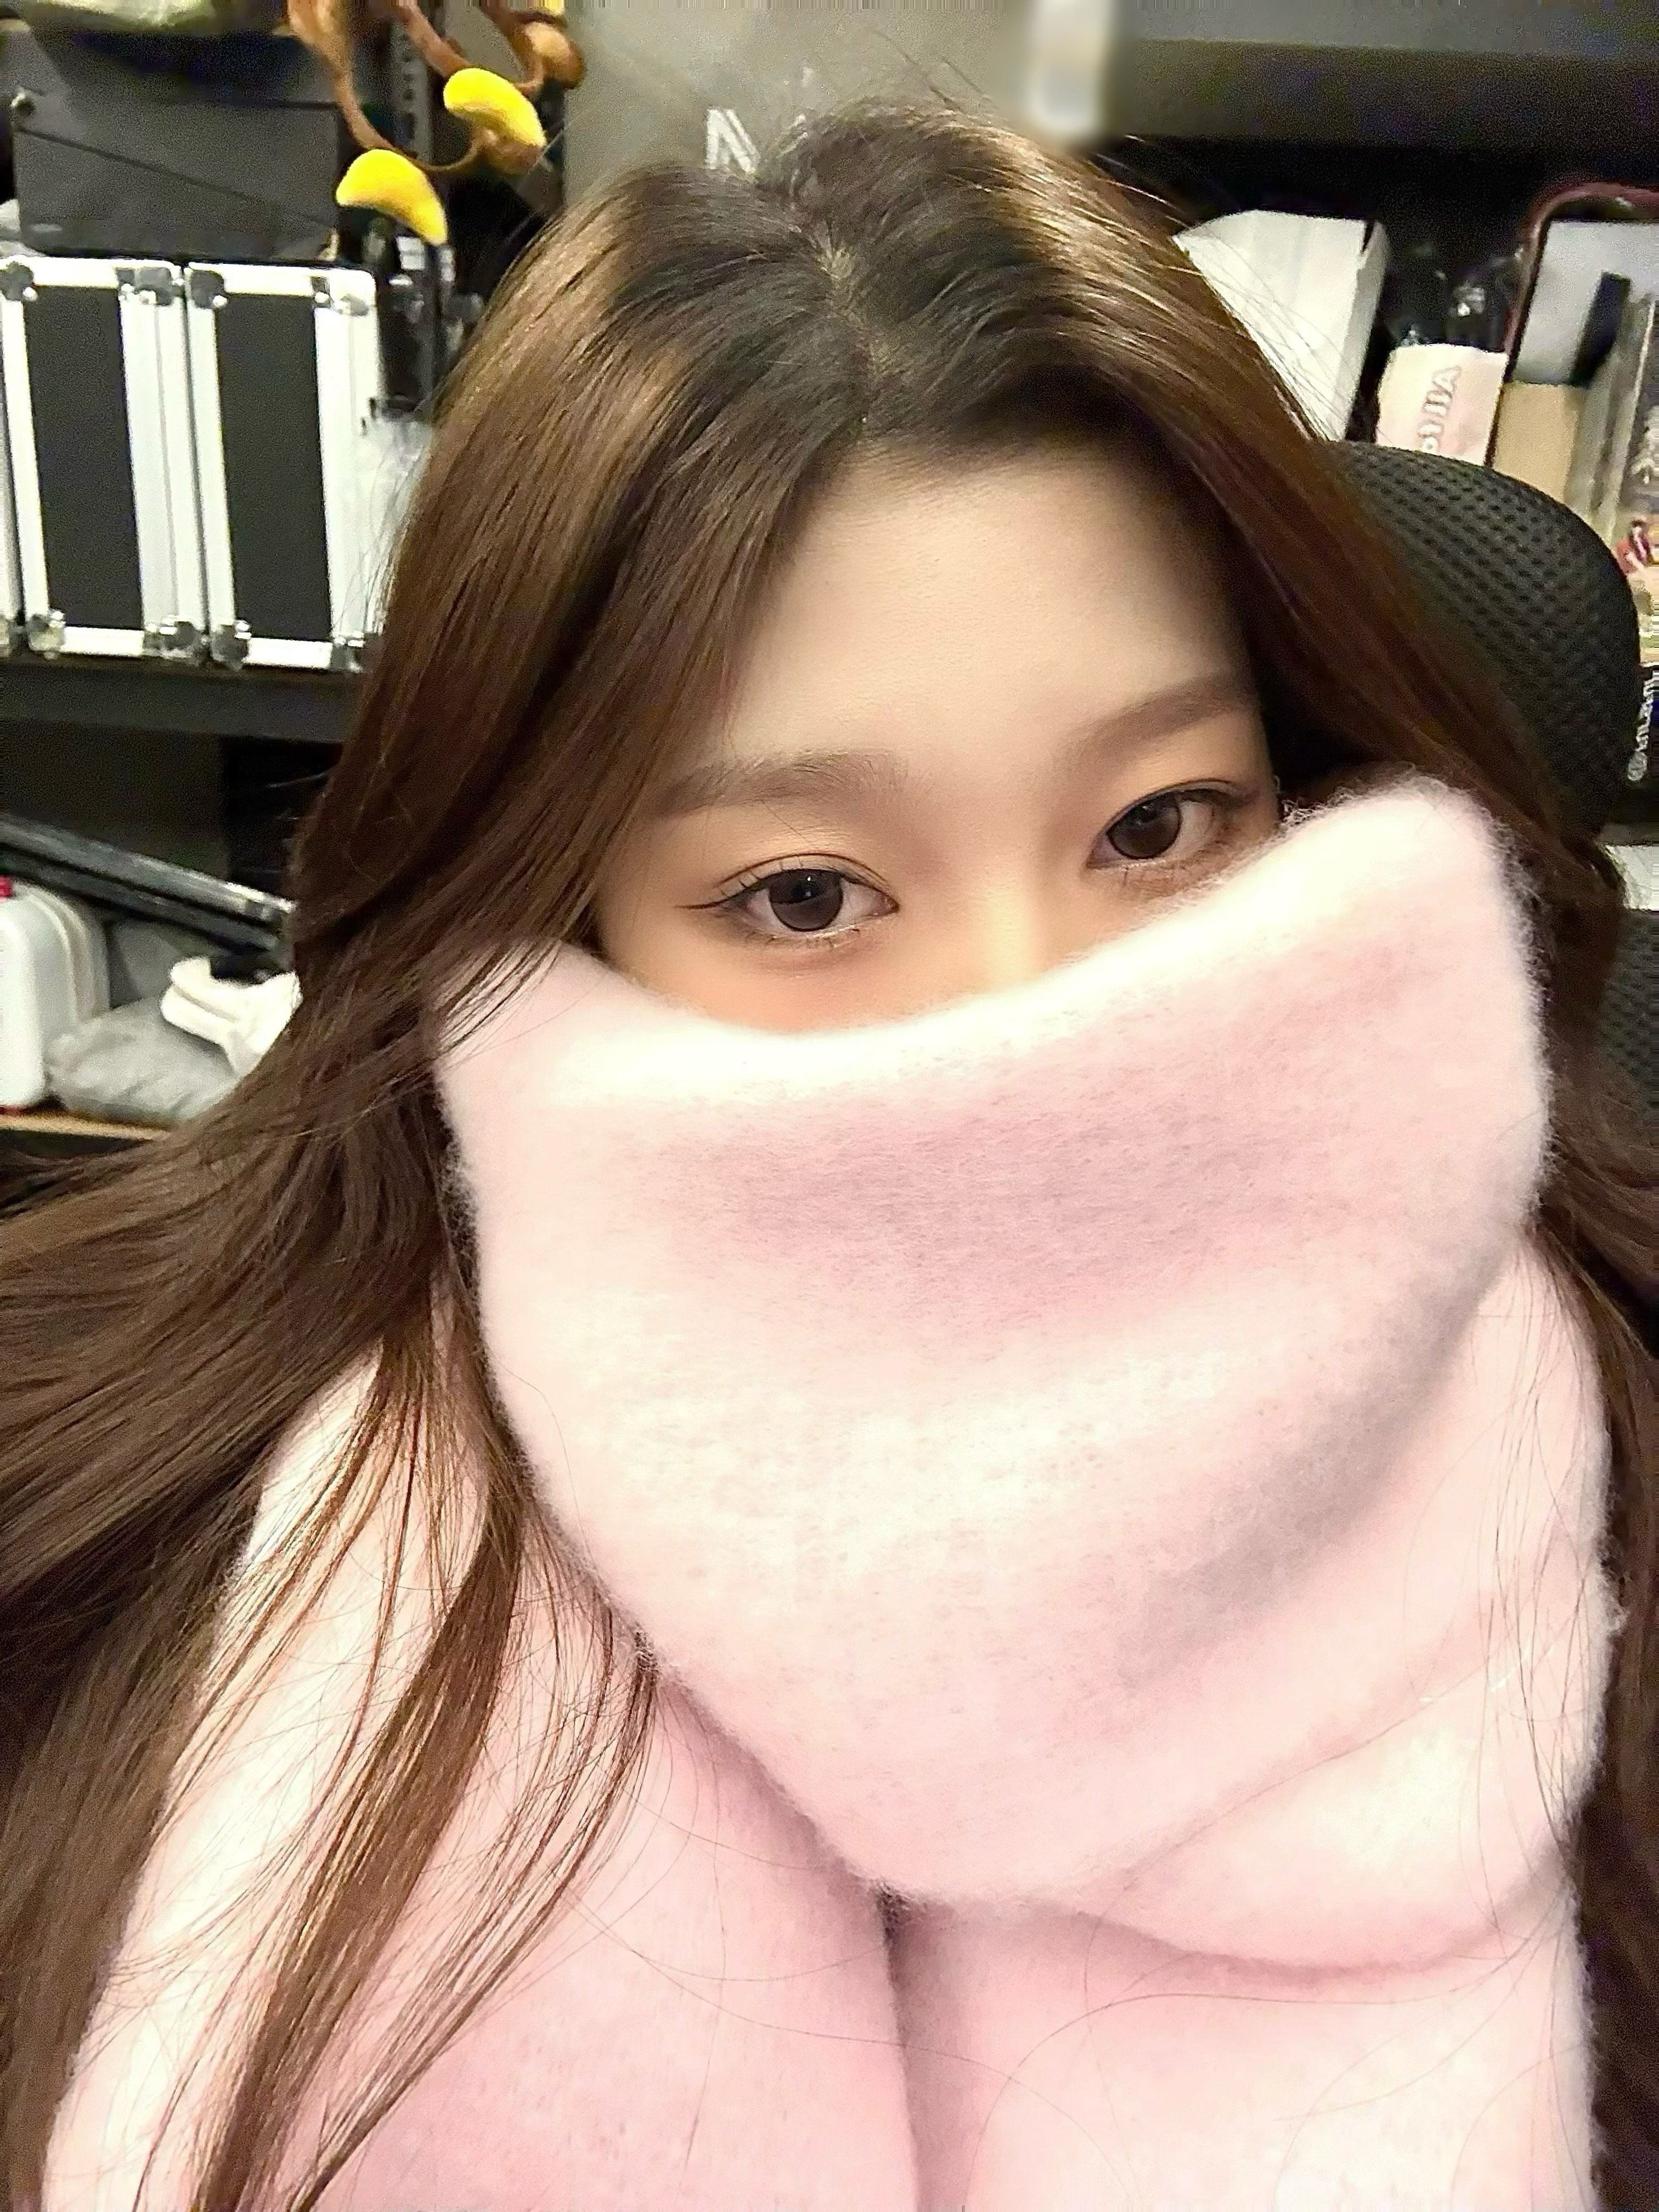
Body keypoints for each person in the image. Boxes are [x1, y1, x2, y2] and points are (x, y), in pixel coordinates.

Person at [3, 101, 1654, 2212]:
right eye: (805, 894)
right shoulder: (147, 1560)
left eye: (1156, 827)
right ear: (555, 913)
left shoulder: (1592, 1415)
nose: (1030, 1030)